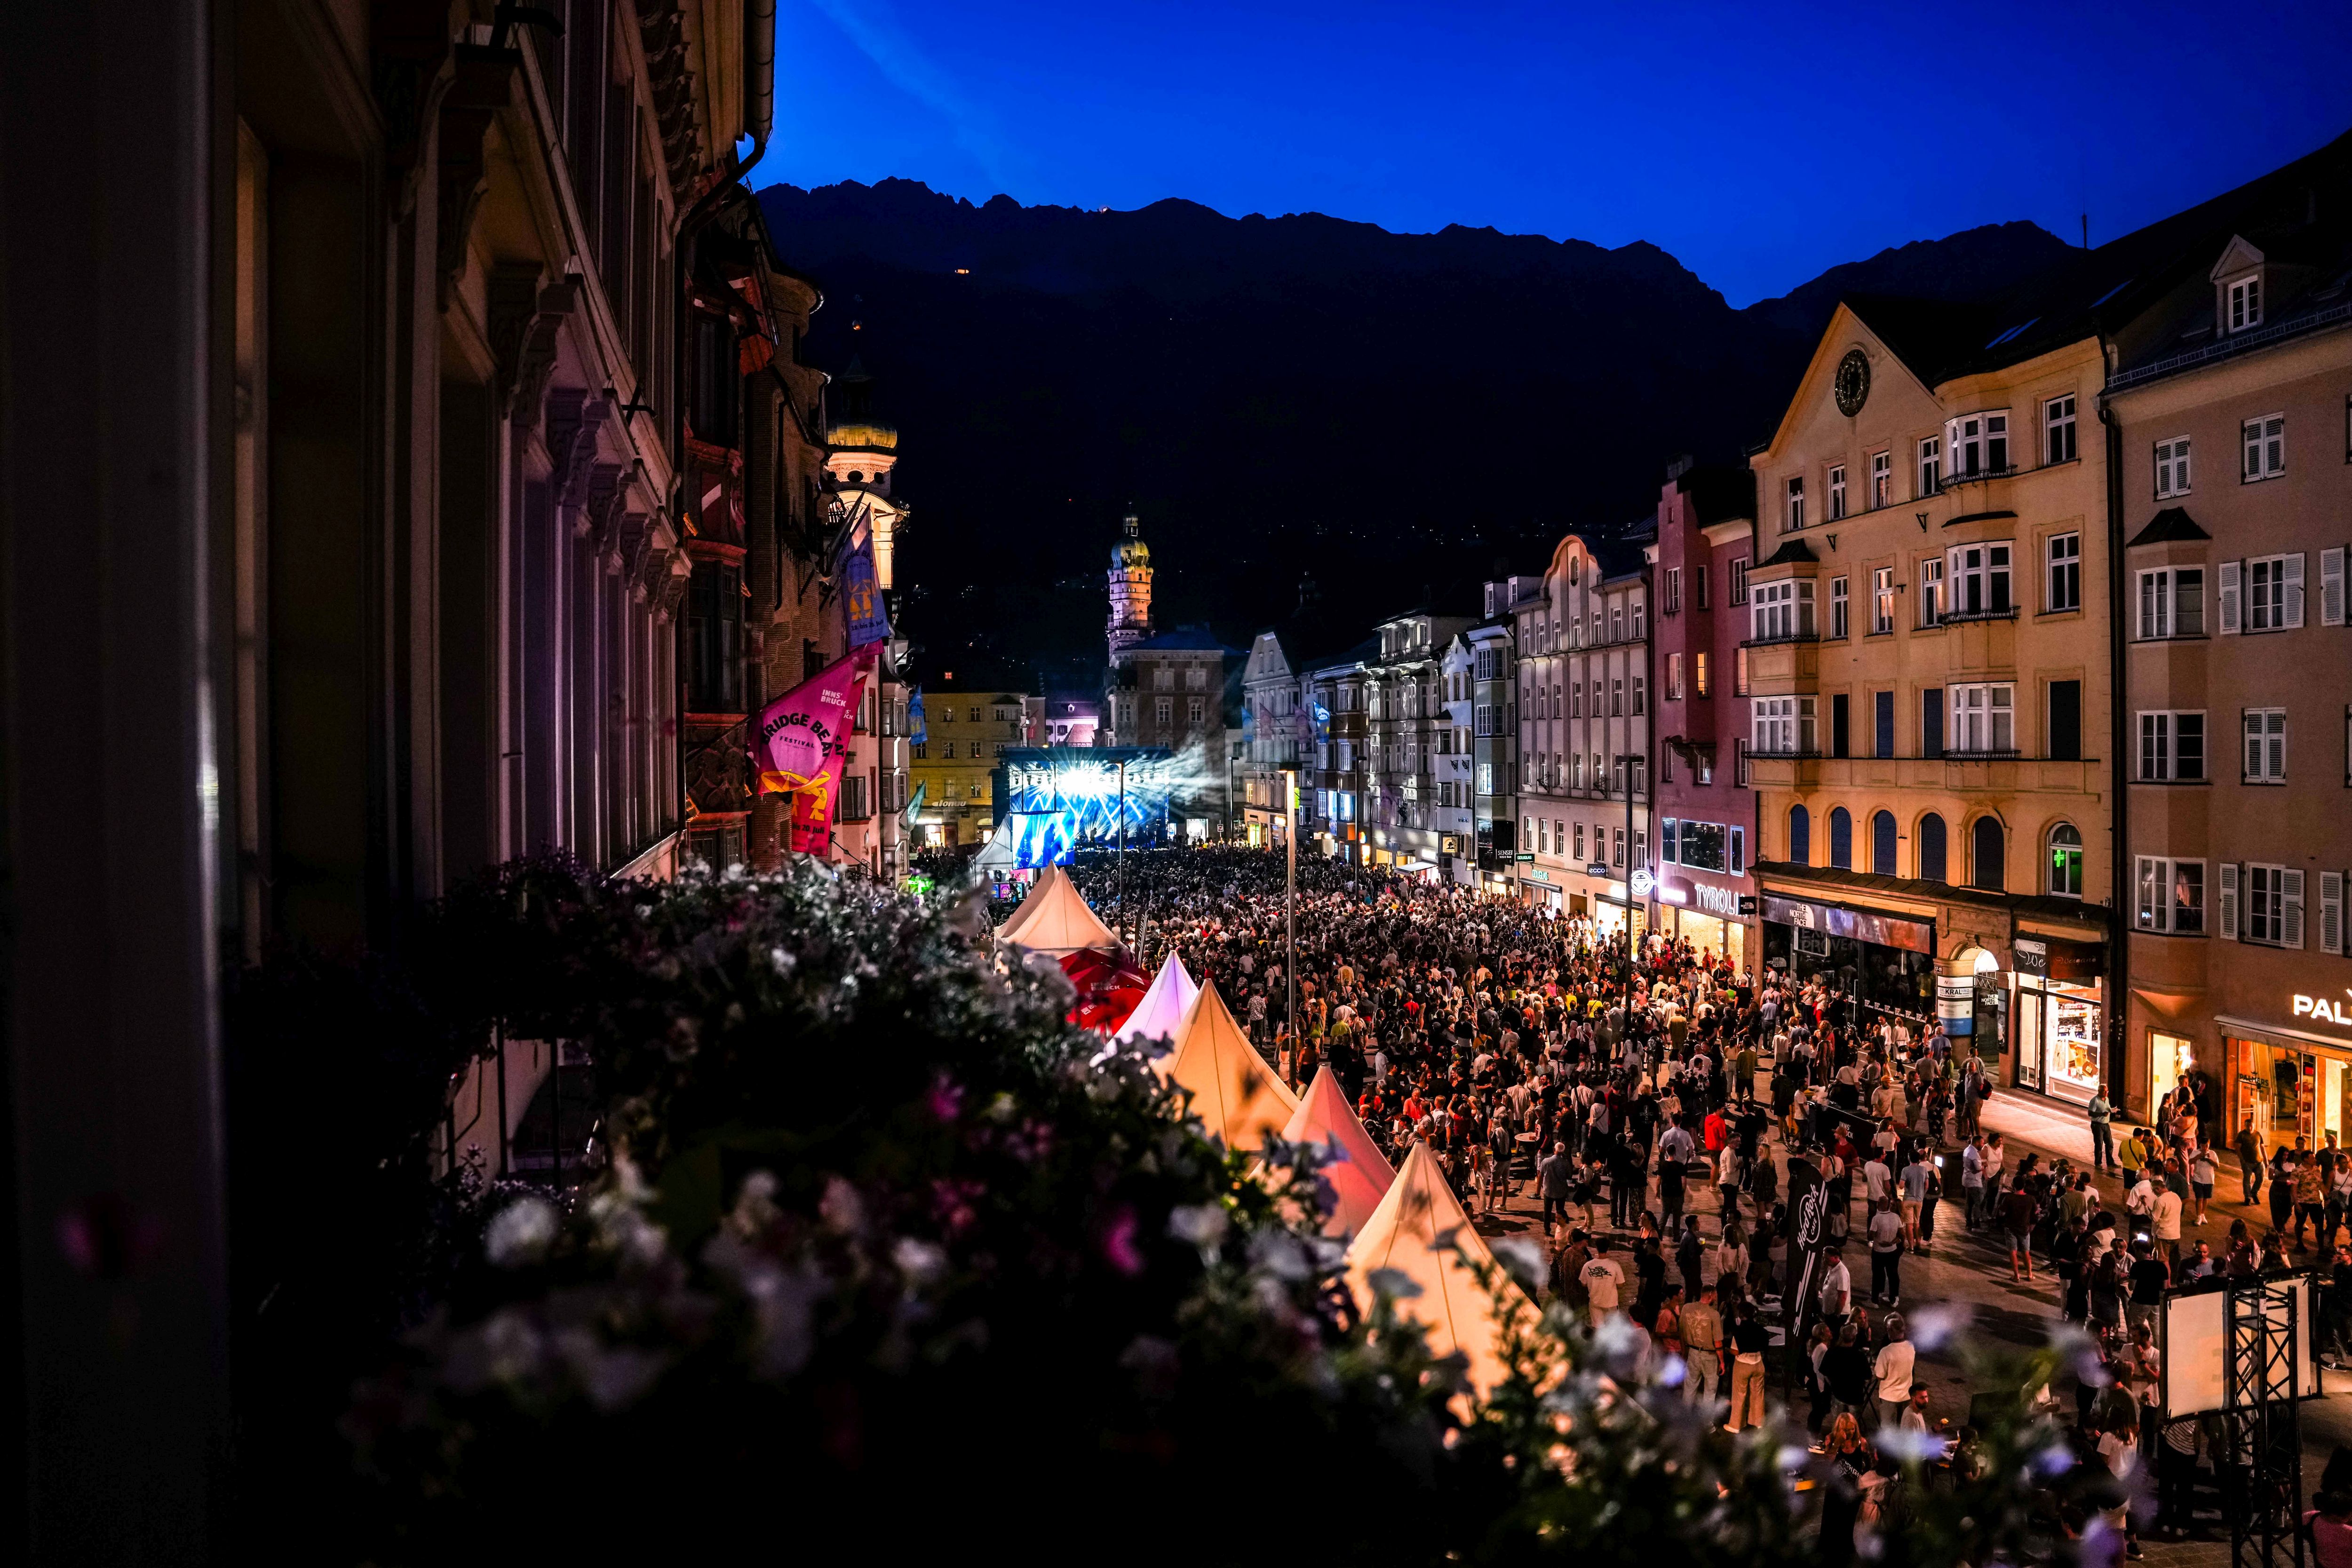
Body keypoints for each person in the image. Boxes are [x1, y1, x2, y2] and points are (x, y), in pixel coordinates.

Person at [1725, 1300, 1770, 1433]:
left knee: (1739, 1394)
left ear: (1741, 1314)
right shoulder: (1762, 1331)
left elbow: (1736, 1351)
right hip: (1758, 1363)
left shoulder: (1739, 1331)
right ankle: (1758, 1422)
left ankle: (1736, 1425)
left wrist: (1727, 1350)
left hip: (1743, 1365)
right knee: (1758, 1394)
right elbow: (1765, 1347)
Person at [1680, 1282, 1723, 1410]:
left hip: (1693, 1352)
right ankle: (1706, 1418)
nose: (1716, 1298)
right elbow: (1718, 1342)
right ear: (1710, 1295)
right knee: (1710, 1389)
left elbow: (1681, 1332)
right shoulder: (1714, 1315)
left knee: (1690, 1386)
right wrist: (1722, 1362)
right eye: (1715, 1296)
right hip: (1709, 1355)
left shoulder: (1686, 1308)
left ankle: (1685, 1414)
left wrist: (1684, 1352)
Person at [1579, 1236, 1626, 1330]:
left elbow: (1583, 1284)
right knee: (1612, 1329)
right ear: (1608, 1248)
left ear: (1597, 1248)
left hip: (1595, 1302)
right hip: (1611, 1303)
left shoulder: (1588, 1265)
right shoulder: (1615, 1265)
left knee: (1598, 1329)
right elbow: (1621, 1285)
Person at [1868, 1198, 1905, 1307]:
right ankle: (1893, 1299)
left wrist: (1875, 1234)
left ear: (1878, 1204)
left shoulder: (1876, 1218)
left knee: (1877, 1275)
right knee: (1893, 1274)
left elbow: (1871, 1236)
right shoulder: (1896, 1217)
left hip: (1878, 1251)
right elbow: (1902, 1234)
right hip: (1892, 1251)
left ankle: (1875, 1301)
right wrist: (1894, 1241)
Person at [2088, 1088, 2116, 1172]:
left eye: (2107, 1091)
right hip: (2097, 1125)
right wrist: (2101, 1114)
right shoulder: (2095, 1101)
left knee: (2110, 1144)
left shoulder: (2107, 1099)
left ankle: (2110, 1162)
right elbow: (2090, 1113)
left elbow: (2108, 1109)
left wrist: (2112, 1110)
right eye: (2105, 1091)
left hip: (2106, 1124)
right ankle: (2098, 1163)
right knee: (2099, 1144)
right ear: (2100, 1091)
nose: (2107, 1093)